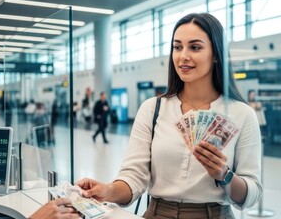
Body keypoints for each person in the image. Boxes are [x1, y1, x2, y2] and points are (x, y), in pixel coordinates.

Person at [76, 13, 262, 218]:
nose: (183, 56)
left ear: (216, 54)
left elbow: (251, 193)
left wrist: (224, 175)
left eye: (195, 47)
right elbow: (134, 176)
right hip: (158, 213)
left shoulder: (242, 114)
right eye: (177, 47)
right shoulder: (152, 109)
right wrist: (108, 190)